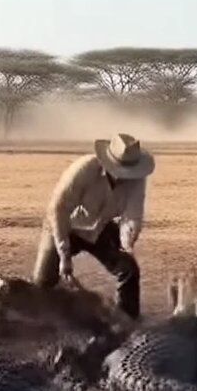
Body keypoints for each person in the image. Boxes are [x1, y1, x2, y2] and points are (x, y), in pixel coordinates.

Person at [32, 133, 153, 320]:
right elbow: (59, 209)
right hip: (67, 226)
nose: (124, 175)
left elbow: (132, 216)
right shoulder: (84, 169)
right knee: (43, 282)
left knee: (128, 269)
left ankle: (126, 323)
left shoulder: (137, 179)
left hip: (100, 227)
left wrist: (128, 245)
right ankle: (49, 318)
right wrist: (64, 256)